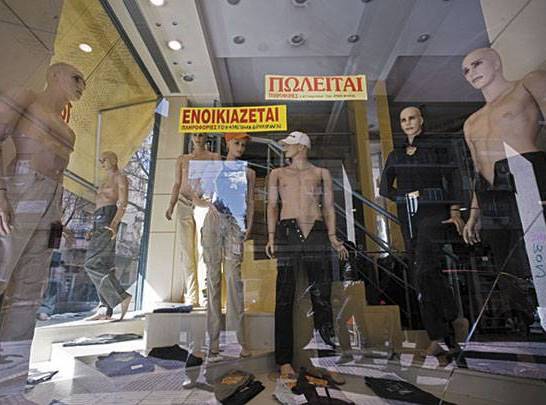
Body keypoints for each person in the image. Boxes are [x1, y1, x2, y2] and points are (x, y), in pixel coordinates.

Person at [0, 62, 85, 397]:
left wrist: (58, 217)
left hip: (50, 202)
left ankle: (10, 387)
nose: (81, 85)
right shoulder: (25, 97)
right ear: (54, 75)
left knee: (27, 296)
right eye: (76, 78)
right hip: (20, 188)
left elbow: (59, 175)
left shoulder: (68, 130)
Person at [461, 47, 546, 331]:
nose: (471, 73)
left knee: (538, 252)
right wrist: (474, 213)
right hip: (491, 191)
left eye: (476, 64)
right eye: (466, 70)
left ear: (496, 61)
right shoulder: (471, 122)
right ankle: (526, 329)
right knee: (507, 265)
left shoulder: (527, 84)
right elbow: (477, 168)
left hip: (527, 173)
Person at [379, 107, 467, 356]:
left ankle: (445, 326)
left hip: (434, 211)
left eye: (412, 118)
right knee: (422, 274)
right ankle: (445, 330)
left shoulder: (435, 148)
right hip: (408, 215)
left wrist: (455, 210)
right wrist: (404, 196)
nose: (408, 123)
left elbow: (453, 177)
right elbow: (385, 188)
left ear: (421, 120)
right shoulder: (396, 154)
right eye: (403, 120)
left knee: (424, 269)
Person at [266, 131, 348, 379]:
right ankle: (284, 361)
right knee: (284, 296)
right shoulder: (277, 174)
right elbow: (272, 205)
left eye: (289, 145)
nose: (285, 149)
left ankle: (327, 361)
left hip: (317, 231)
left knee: (322, 297)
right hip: (288, 230)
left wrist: (332, 236)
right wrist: (271, 236)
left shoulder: (321, 173)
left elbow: (329, 206)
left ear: (302, 147)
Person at [201, 132, 255, 361]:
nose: (240, 147)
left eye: (243, 144)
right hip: (214, 222)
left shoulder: (248, 172)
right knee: (213, 280)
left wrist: (249, 225)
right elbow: (196, 192)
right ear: (227, 143)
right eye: (236, 143)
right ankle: (213, 343)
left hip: (235, 223)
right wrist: (207, 204)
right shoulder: (214, 167)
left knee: (234, 280)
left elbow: (250, 200)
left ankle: (239, 342)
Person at [166, 134, 220, 307]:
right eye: (195, 134)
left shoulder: (214, 157)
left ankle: (205, 294)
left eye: (201, 134)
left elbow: (217, 182)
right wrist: (171, 204)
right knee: (186, 249)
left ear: (206, 137)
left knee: (203, 248)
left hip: (204, 201)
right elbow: (177, 183)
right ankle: (191, 295)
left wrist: (213, 203)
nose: (198, 138)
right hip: (184, 201)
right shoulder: (182, 159)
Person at [83, 151, 132, 321]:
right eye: (100, 160)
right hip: (99, 218)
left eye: (104, 159)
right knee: (103, 264)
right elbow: (98, 204)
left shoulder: (120, 177)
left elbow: (123, 202)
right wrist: (92, 227)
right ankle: (105, 308)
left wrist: (115, 223)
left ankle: (121, 296)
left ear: (113, 160)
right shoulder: (104, 180)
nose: (102, 163)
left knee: (91, 263)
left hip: (108, 217)